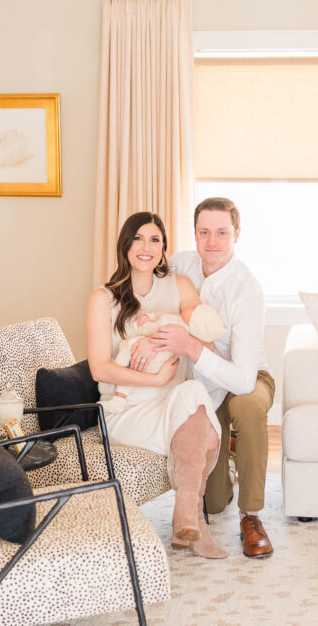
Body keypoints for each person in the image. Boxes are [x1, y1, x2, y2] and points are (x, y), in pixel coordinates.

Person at [86, 211, 228, 559]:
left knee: (192, 394)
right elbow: (99, 369)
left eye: (155, 240)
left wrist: (165, 336)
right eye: (138, 238)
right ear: (125, 244)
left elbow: (204, 343)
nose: (146, 248)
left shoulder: (179, 287)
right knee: (204, 432)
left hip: (172, 402)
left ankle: (185, 517)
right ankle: (193, 521)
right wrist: (154, 378)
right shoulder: (102, 299)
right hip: (128, 410)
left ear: (164, 248)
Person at [140, 197, 276, 559]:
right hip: (203, 385)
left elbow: (244, 380)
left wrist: (191, 345)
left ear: (236, 234)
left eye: (221, 233)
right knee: (213, 505)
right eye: (204, 232)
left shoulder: (247, 290)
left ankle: (252, 517)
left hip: (247, 378)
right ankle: (228, 464)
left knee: (246, 408)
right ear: (195, 233)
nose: (212, 241)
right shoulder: (182, 264)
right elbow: (144, 275)